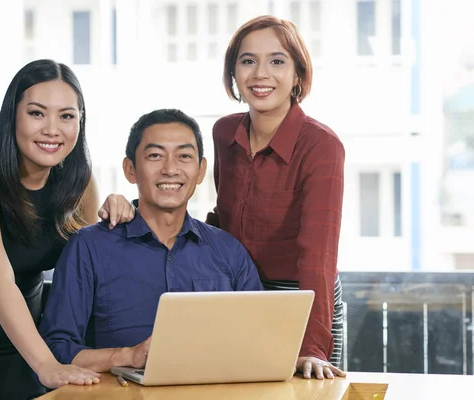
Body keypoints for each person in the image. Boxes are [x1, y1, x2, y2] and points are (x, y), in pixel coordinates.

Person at [0, 59, 135, 400]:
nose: (52, 129)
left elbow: (92, 271)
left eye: (66, 116)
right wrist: (46, 365)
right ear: (12, 116)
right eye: (36, 113)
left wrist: (117, 214)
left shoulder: (79, 183)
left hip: (33, 335)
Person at [39, 109, 263, 372]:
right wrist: (126, 356)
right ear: (130, 169)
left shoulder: (230, 252)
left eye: (184, 156)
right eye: (155, 156)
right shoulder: (89, 247)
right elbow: (56, 348)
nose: (170, 169)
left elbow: (260, 344)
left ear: (201, 171)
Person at [206, 15, 346, 380]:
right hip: (238, 295)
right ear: (233, 73)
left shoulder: (321, 145)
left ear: (298, 75)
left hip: (300, 299)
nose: (260, 73)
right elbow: (222, 222)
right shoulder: (224, 132)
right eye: (248, 60)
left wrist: (311, 346)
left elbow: (318, 253)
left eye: (277, 61)